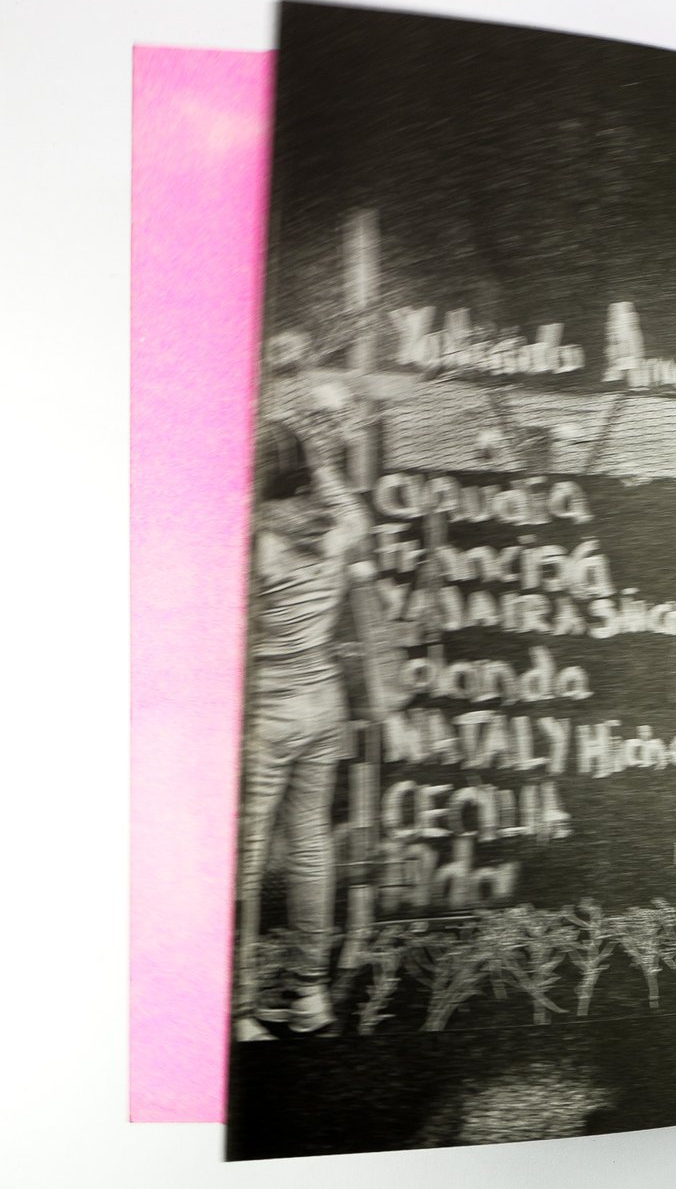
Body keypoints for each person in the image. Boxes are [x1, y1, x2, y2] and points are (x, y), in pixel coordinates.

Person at [233, 414, 370, 1040]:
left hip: (265, 712)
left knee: (247, 854)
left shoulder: (254, 544)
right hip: (323, 701)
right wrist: (320, 459)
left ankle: (240, 1008)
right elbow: (352, 513)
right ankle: (309, 994)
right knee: (311, 845)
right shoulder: (334, 530)